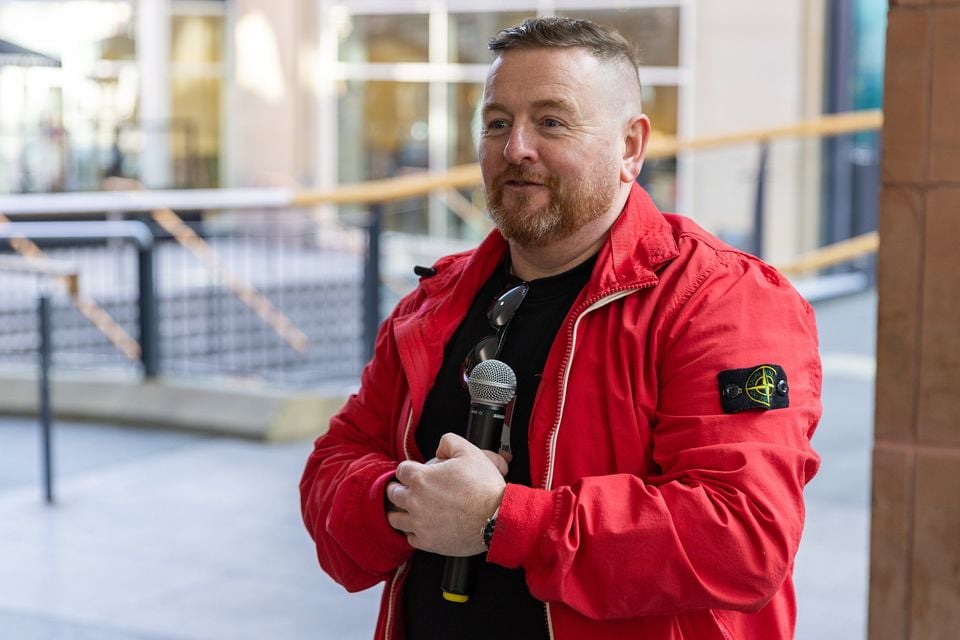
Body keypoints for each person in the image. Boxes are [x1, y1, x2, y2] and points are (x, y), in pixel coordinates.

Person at [300, 16, 821, 640]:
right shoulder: (436, 302)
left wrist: (500, 520)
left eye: (552, 121)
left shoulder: (720, 302)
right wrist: (401, 499)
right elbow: (333, 464)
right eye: (497, 123)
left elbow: (742, 536)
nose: (516, 147)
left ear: (631, 147)